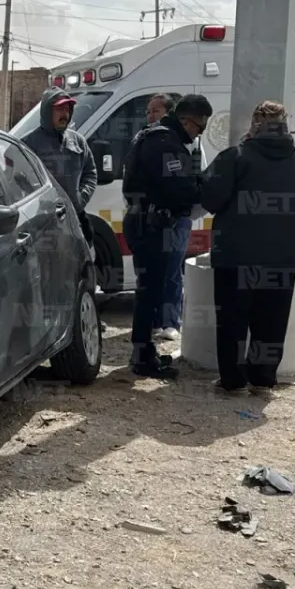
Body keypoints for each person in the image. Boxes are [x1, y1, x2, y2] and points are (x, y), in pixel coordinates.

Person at [200, 101, 295, 393]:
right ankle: (263, 379)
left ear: (254, 125)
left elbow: (210, 198)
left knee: (233, 320)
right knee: (272, 321)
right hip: (283, 256)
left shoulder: (235, 156)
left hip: (237, 256)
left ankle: (233, 380)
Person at [122, 93, 212, 378]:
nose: (200, 133)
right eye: (200, 127)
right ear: (186, 121)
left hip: (146, 221)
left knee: (151, 289)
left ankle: (144, 350)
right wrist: (206, 186)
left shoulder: (155, 137)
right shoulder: (165, 144)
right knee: (149, 291)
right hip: (151, 225)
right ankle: (141, 356)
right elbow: (180, 191)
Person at [140, 93, 193, 343]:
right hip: (151, 217)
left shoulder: (188, 142)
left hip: (178, 218)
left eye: (156, 111)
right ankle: (152, 321)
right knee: (151, 270)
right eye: (148, 111)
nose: (150, 115)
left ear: (169, 114)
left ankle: (170, 322)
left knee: (172, 269)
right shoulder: (143, 140)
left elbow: (195, 181)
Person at [20, 87, 99, 248]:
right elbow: (15, 179)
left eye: (67, 109)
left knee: (82, 267)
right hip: (42, 226)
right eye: (59, 109)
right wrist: (39, 203)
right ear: (47, 112)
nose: (65, 114)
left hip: (75, 220)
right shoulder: (28, 144)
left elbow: (90, 173)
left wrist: (80, 198)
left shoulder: (78, 141)